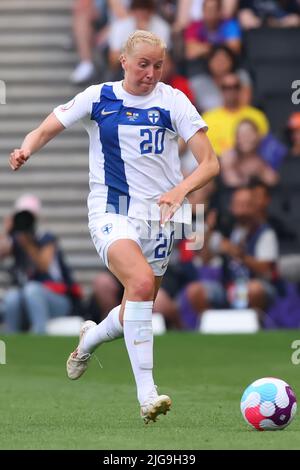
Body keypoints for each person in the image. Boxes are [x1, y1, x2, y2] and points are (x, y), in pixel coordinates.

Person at [9, 30, 219, 424]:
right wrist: (26, 149)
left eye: (158, 65)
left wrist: (180, 190)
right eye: (143, 65)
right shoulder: (98, 97)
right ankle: (148, 395)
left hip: (163, 217)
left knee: (135, 309)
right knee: (139, 285)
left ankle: (89, 338)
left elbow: (210, 163)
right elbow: (48, 126)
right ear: (123, 61)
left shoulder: (173, 101)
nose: (151, 74)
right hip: (111, 212)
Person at [0, 195, 80, 334]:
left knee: (32, 290)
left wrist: (28, 244)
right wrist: (7, 231)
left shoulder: (46, 238)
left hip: (57, 300)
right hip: (26, 298)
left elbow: (44, 265)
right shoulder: (15, 240)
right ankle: (12, 341)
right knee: (12, 296)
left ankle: (39, 334)